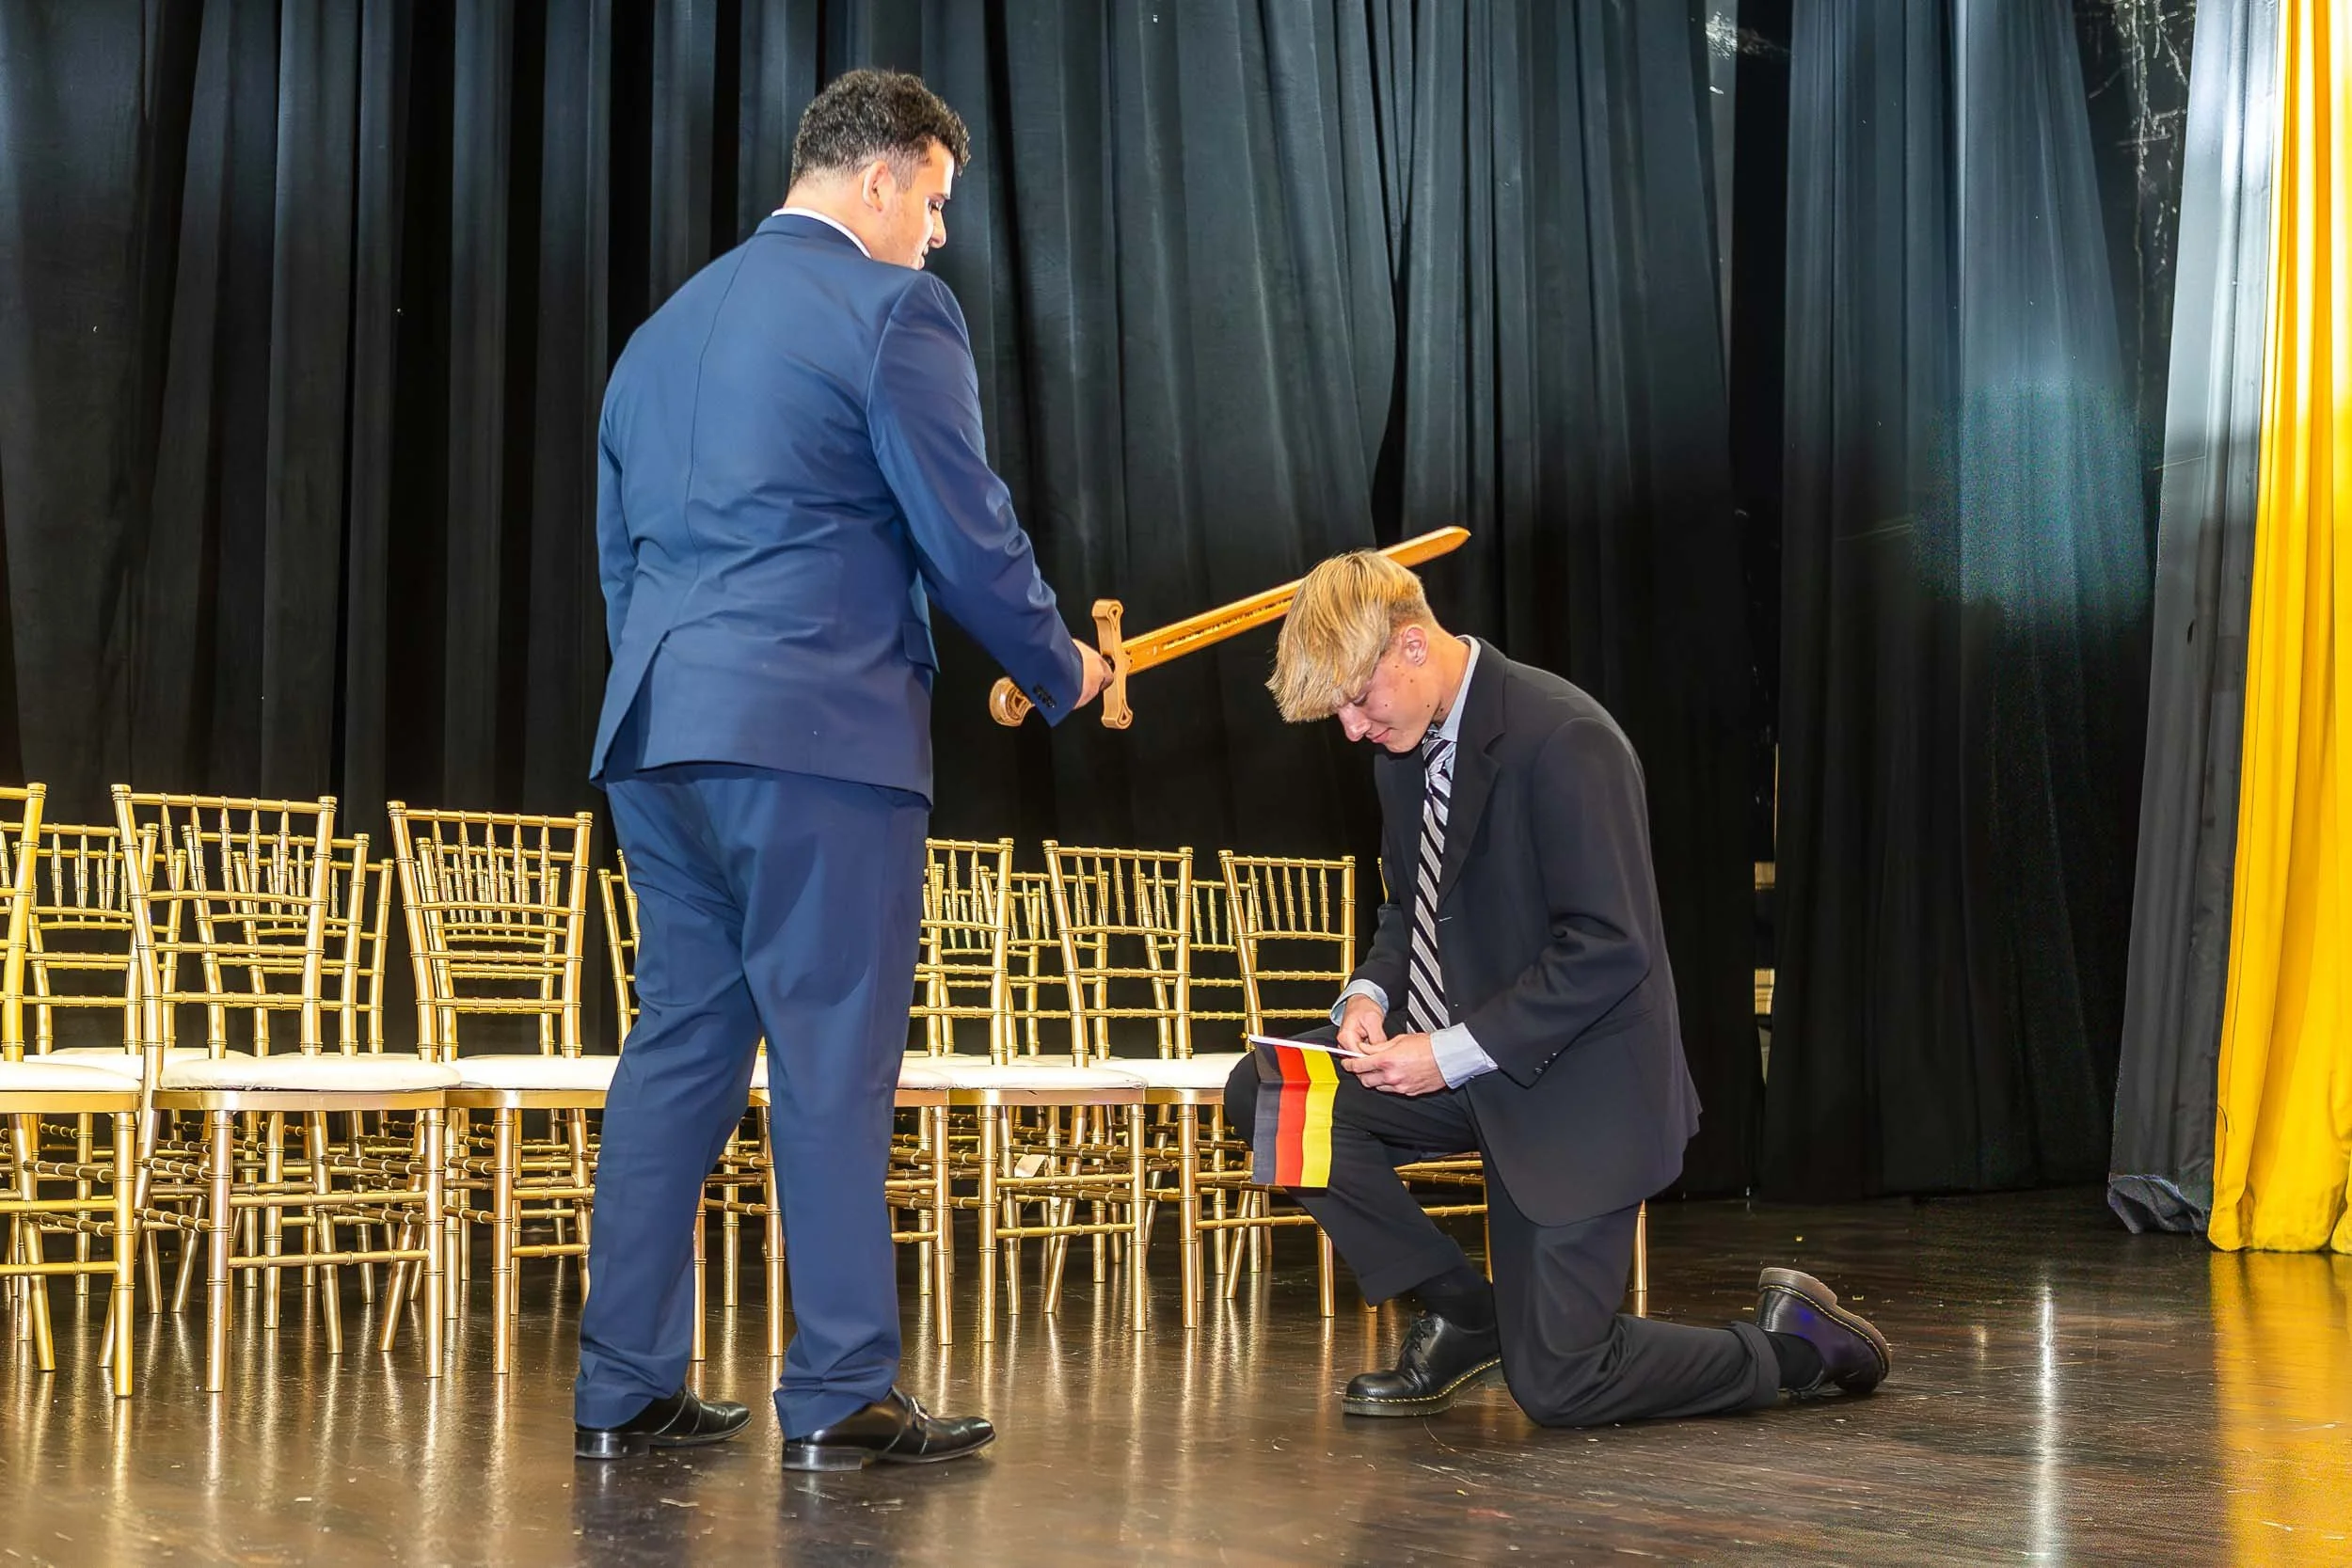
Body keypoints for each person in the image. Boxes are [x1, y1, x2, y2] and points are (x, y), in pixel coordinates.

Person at [574, 69, 1107, 1471]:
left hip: (658, 732)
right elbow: (969, 532)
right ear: (881, 179)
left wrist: (686, 690)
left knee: (679, 1047)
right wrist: (1065, 667)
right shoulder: (894, 312)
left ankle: (623, 1382)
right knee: (831, 1059)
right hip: (817, 739)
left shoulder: (656, 336)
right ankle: (839, 1389)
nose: (937, 237)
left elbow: (622, 571)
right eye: (933, 204)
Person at [1224, 551, 1888, 1427]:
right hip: (1473, 1073)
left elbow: (1611, 946)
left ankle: (1798, 1346)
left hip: (1581, 1089)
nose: (1349, 728)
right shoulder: (1399, 750)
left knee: (1561, 1383)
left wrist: (1447, 1053)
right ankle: (1468, 1317)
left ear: (1411, 647)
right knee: (1275, 1095)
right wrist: (1368, 995)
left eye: (1356, 698)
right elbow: (1409, 907)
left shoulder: (1566, 737)